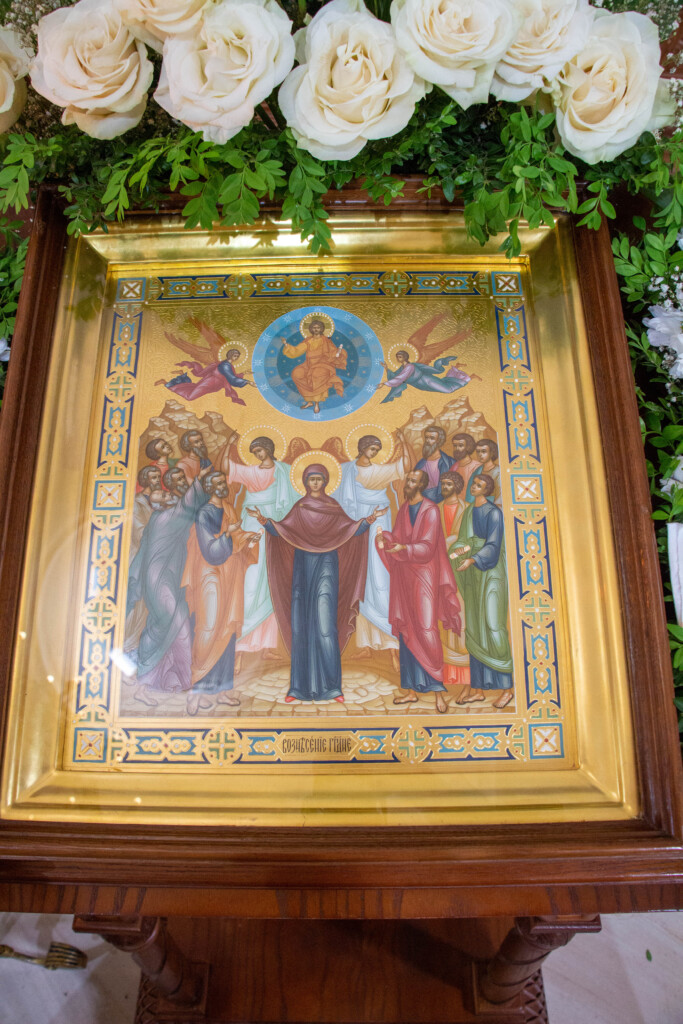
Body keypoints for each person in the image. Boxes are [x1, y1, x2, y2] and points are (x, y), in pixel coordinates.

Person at [247, 464, 385, 702]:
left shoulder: (333, 507)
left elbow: (350, 529)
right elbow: (282, 530)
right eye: (311, 479)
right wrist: (264, 521)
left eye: (319, 479)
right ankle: (298, 688)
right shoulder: (300, 508)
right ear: (305, 482)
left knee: (325, 625)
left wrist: (369, 520)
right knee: (300, 626)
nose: (315, 483)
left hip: (326, 567)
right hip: (302, 568)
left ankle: (332, 687)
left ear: (325, 481)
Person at [376, 469, 461, 713]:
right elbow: (398, 538)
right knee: (407, 630)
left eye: (413, 481)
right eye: (408, 480)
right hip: (405, 576)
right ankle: (411, 690)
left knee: (426, 628)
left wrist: (404, 548)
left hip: (425, 576)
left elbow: (427, 547)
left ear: (421, 485)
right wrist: (385, 539)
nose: (408, 483)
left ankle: (437, 691)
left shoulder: (430, 510)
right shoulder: (404, 508)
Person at [126, 465, 211, 695]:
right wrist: (199, 480)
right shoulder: (166, 517)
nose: (168, 496)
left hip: (169, 577)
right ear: (158, 506)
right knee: (176, 622)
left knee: (163, 624)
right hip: (159, 580)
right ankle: (172, 676)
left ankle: (164, 677)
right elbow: (187, 505)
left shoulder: (157, 519)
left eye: (165, 494)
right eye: (163, 497)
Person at [182, 471, 259, 715]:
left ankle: (222, 690)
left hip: (230, 576)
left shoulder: (228, 508)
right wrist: (229, 534)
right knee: (208, 628)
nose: (222, 485)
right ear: (208, 487)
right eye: (217, 483)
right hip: (210, 575)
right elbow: (210, 550)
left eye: (223, 482)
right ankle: (197, 689)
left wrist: (247, 538)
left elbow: (235, 540)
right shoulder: (204, 513)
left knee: (227, 630)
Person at [332, 431, 412, 666]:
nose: (374, 453)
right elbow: (334, 500)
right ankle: (365, 645)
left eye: (377, 450)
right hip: (354, 531)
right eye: (371, 448)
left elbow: (405, 466)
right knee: (359, 580)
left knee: (379, 579)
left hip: (377, 526)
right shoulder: (345, 470)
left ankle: (391, 645)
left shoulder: (380, 471)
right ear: (362, 447)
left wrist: (404, 442)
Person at [222, 433, 299, 659]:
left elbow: (296, 501)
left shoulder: (285, 471)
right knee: (252, 580)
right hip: (253, 525)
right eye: (254, 452)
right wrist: (228, 444)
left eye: (260, 450)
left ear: (269, 449)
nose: (257, 455)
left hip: (277, 529)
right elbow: (227, 466)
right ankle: (243, 643)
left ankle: (266, 647)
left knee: (273, 581)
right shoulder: (251, 472)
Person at [450, 473, 514, 709]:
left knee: (494, 626)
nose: (474, 486)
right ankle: (478, 689)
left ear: (487, 490)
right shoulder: (469, 511)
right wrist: (459, 550)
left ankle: (507, 688)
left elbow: (493, 546)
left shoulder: (494, 513)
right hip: (474, 576)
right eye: (474, 483)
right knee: (476, 628)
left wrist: (473, 559)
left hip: (491, 573)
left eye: (480, 485)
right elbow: (465, 540)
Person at [439, 471, 470, 689]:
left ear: (457, 486)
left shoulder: (467, 509)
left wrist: (453, 545)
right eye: (443, 484)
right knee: (445, 619)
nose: (445, 487)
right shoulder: (435, 509)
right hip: (441, 570)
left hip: (462, 571)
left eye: (449, 484)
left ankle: (466, 677)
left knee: (462, 617)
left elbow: (472, 539)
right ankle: (447, 674)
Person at [281, 318, 347, 414]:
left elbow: (333, 352)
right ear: (311, 329)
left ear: (322, 329)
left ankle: (316, 404)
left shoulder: (326, 340)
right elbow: (297, 350)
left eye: (318, 327)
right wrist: (287, 345)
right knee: (296, 373)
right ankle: (309, 401)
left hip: (323, 364)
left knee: (315, 375)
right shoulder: (308, 340)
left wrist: (338, 353)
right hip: (309, 364)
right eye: (314, 327)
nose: (316, 329)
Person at [156, 345, 255, 406]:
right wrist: (248, 382)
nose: (236, 358)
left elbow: (231, 376)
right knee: (190, 396)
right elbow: (232, 379)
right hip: (210, 383)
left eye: (237, 356)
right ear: (230, 355)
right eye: (235, 355)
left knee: (191, 389)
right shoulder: (225, 365)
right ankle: (166, 383)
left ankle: (181, 376)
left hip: (214, 385)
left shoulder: (229, 366)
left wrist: (244, 373)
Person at [377, 349, 481, 404]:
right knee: (445, 384)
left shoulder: (409, 367)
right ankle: (456, 369)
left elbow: (400, 378)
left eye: (400, 357)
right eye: (397, 357)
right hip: (421, 385)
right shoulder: (402, 369)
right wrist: (386, 368)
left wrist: (384, 383)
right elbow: (395, 376)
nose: (398, 359)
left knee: (448, 389)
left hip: (427, 380)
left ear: (405, 357)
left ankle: (469, 376)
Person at [414, 425, 456, 502]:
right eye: (426, 437)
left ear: (439, 441)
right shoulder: (420, 464)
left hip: (442, 502)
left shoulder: (450, 462)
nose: (428, 441)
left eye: (432, 438)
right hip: (423, 502)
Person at [469, 438, 502, 505]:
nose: (480, 454)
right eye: (478, 451)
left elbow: (500, 497)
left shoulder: (498, 472)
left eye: (483, 451)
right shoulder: (477, 470)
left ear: (492, 453)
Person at [451, 433, 481, 500]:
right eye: (455, 445)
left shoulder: (477, 467)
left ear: (468, 447)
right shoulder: (454, 467)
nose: (457, 448)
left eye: (460, 445)